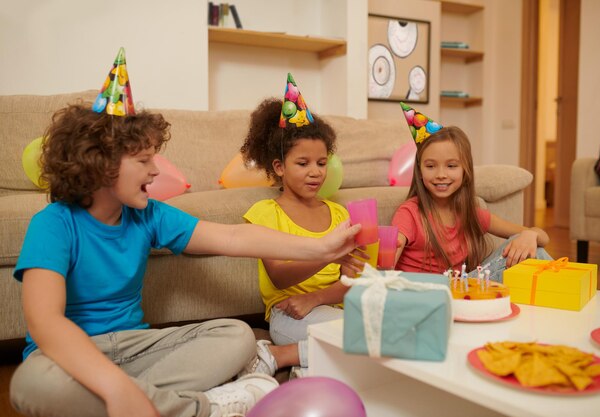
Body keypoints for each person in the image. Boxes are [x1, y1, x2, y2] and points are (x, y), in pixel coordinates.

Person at [9, 52, 361, 417]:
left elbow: (233, 238)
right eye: (144, 161)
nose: (154, 171)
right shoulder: (53, 224)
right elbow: (46, 323)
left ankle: (130, 402)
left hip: (139, 349)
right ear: (100, 164)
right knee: (30, 383)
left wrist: (322, 246)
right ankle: (206, 407)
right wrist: (113, 386)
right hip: (68, 356)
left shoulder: (148, 215)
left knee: (238, 335)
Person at [239, 75, 367, 377]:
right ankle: (284, 354)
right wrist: (329, 255)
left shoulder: (339, 214)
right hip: (289, 314)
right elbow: (279, 276)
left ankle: (300, 363)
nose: (315, 173)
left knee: (380, 334)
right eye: (303, 163)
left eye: (321, 163)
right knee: (362, 340)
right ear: (279, 167)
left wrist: (319, 296)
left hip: (332, 310)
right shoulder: (266, 213)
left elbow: (352, 283)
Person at [392, 103, 551, 281]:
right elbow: (386, 270)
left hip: (463, 287)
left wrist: (530, 234)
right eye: (430, 166)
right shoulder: (409, 213)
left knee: (533, 248)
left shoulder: (470, 213)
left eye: (451, 166)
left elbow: (543, 237)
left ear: (464, 171)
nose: (441, 175)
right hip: (430, 293)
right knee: (534, 251)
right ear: (420, 172)